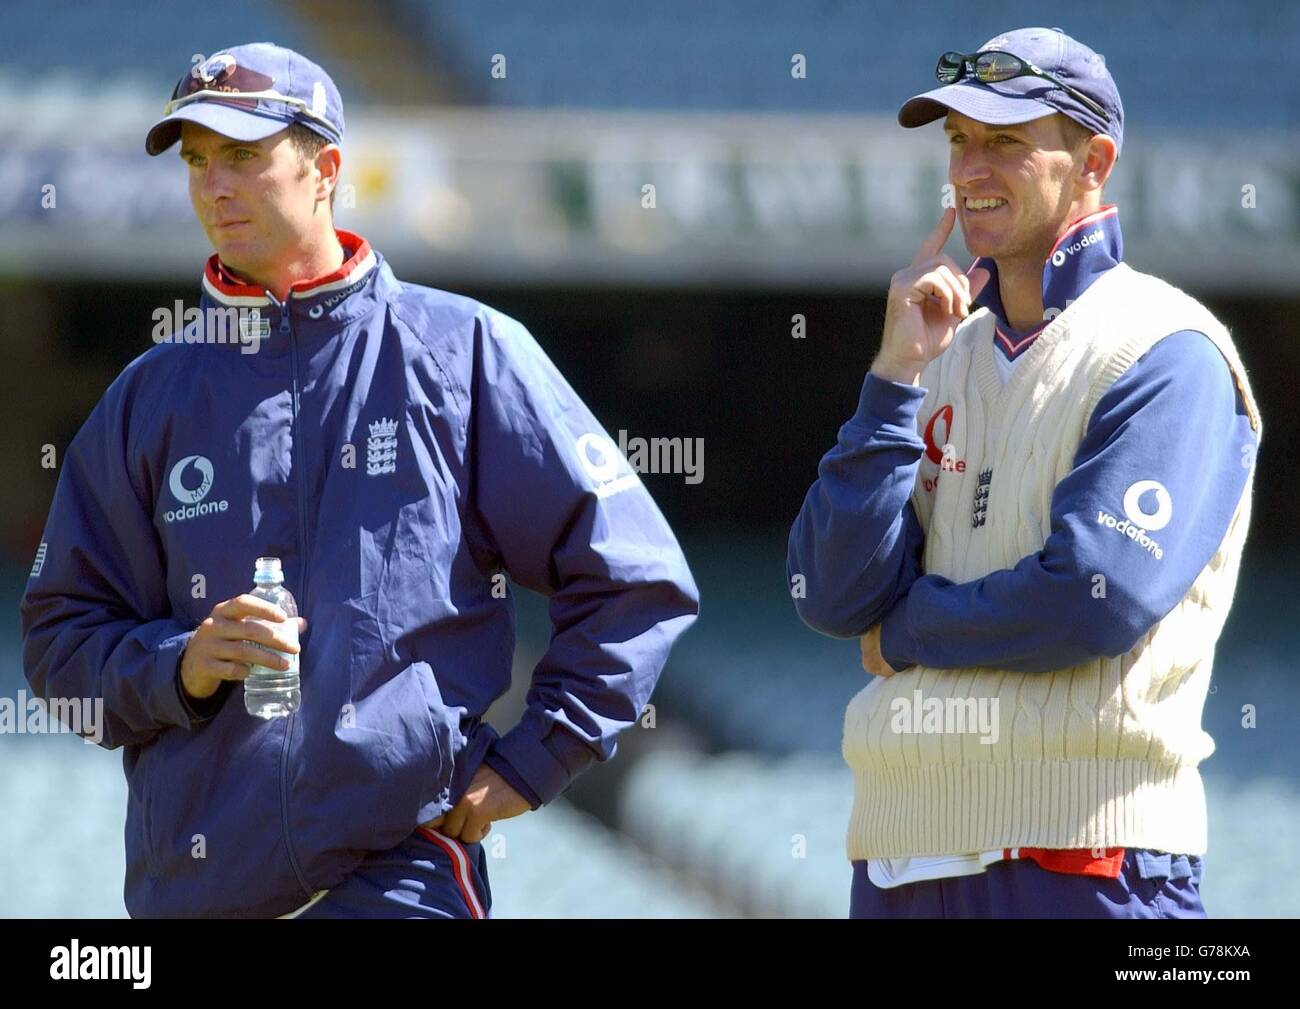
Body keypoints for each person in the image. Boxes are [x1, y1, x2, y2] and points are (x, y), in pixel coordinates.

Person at [21, 42, 699, 919]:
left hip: (399, 885)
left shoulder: (463, 351)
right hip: (188, 895)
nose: (212, 184)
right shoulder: (147, 397)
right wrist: (178, 665)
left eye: (242, 154)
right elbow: (59, 642)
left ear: (326, 168)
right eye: (196, 159)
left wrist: (531, 764)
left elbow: (636, 579)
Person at [787, 27, 1263, 918]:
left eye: (1007, 141)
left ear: (1095, 160)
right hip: (898, 857)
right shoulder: (935, 352)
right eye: (959, 140)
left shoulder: (1167, 349)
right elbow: (828, 593)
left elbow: (1093, 594)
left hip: (1089, 861)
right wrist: (892, 378)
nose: (972, 167)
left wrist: (909, 630)